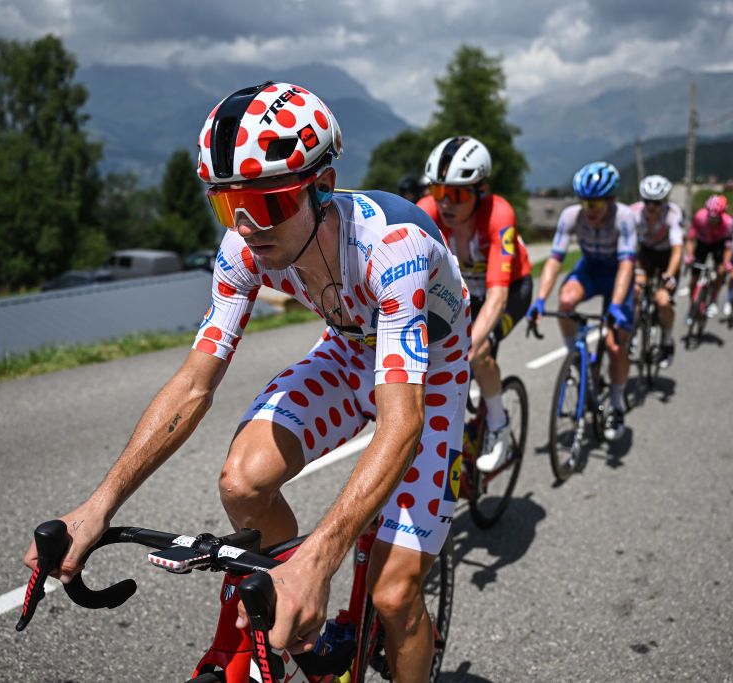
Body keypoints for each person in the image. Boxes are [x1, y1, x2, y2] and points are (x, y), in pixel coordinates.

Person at [24, 81, 470, 683]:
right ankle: (307, 627)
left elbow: (402, 421)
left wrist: (321, 558)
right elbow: (192, 384)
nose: (247, 226)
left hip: (430, 372)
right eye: (227, 205)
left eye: (266, 204)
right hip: (348, 350)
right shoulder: (243, 249)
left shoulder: (395, 247)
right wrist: (98, 506)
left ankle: (343, 603)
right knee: (242, 482)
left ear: (322, 187)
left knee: (394, 597)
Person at [417, 136, 532, 472]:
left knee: (477, 354)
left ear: (481, 190)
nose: (446, 204)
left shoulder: (499, 214)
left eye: (457, 194)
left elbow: (497, 297)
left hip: (510, 290)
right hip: (466, 292)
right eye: (439, 192)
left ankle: (498, 424)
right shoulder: (427, 212)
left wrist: (468, 347)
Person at [527, 161, 636, 441]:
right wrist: (540, 299)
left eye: (596, 206)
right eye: (585, 204)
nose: (590, 212)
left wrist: (615, 306)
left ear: (611, 201)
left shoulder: (624, 217)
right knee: (565, 302)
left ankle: (616, 404)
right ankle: (575, 356)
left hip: (617, 275)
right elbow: (554, 260)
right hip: (590, 269)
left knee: (615, 345)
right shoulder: (571, 216)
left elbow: (626, 266)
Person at [629, 174, 683, 367]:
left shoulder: (673, 214)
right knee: (635, 291)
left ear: (665, 201)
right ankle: (633, 333)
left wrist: (669, 274)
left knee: (662, 300)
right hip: (646, 254)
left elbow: (677, 249)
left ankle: (667, 341)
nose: (651, 207)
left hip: (667, 256)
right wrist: (637, 270)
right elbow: (629, 247)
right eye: (647, 202)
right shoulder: (634, 212)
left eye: (657, 203)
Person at [684, 194, 733, 320]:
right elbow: (690, 239)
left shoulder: (728, 223)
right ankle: (693, 304)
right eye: (710, 217)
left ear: (722, 214)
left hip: (719, 244)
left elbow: (728, 247)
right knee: (694, 277)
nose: (712, 221)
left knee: (721, 270)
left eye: (715, 219)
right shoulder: (699, 217)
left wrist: (726, 263)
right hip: (702, 243)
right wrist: (689, 256)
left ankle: (714, 298)